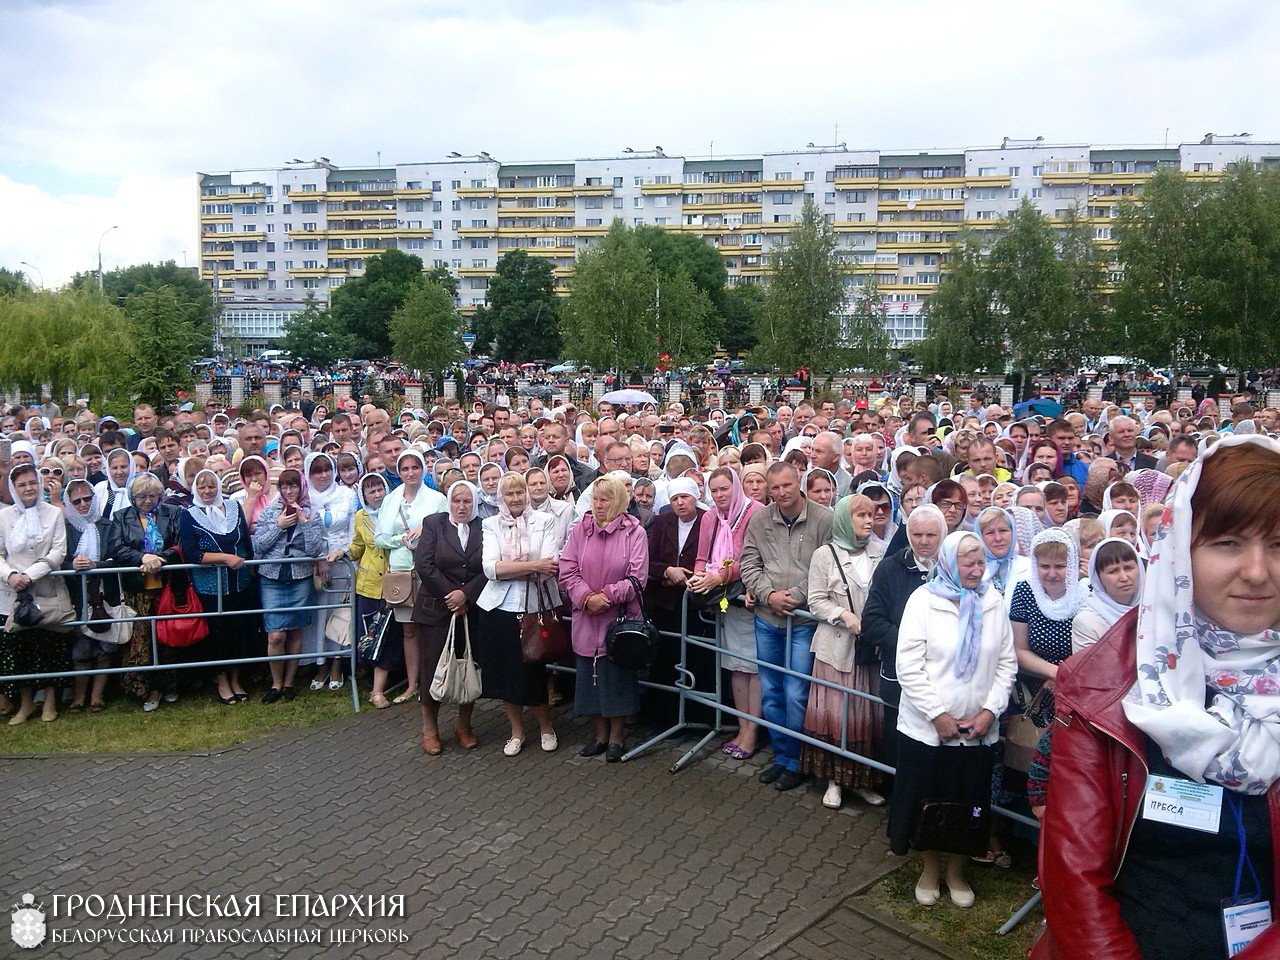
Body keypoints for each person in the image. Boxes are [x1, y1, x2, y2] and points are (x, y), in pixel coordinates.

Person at [1039, 436, 1280, 959]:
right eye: (1229, 543)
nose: (1258, 571)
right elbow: (1074, 877)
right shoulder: (1104, 681)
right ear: (1180, 551)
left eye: (1279, 545)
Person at [889, 530, 1018, 908]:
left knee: (970, 805)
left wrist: (990, 711)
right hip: (928, 730)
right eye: (969, 563)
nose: (978, 570)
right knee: (930, 800)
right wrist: (937, 715)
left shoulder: (992, 601)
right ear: (949, 563)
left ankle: (957, 871)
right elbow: (908, 666)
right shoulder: (924, 601)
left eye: (981, 562)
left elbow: (1006, 662)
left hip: (977, 731)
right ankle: (929, 868)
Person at [739, 462, 834, 791]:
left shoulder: (824, 519)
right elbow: (748, 564)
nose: (780, 493)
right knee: (771, 692)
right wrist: (768, 595)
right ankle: (781, 756)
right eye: (774, 487)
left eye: (786, 486)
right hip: (767, 619)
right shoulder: (760, 519)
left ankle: (796, 760)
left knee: (796, 693)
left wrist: (793, 596)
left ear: (799, 483)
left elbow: (827, 568)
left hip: (804, 621)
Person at [801, 494, 887, 809]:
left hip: (868, 650)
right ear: (843, 520)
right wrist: (843, 614)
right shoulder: (825, 555)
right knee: (837, 715)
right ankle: (834, 781)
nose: (868, 520)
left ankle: (862, 780)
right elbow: (816, 599)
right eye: (860, 515)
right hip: (836, 649)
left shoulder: (881, 552)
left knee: (866, 714)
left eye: (871, 514)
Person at [558, 475, 650, 762]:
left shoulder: (635, 532)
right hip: (586, 616)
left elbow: (638, 577)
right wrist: (586, 598)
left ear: (620, 501)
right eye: (596, 498)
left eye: (606, 499)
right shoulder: (580, 530)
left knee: (617, 678)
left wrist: (606, 597)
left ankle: (617, 736)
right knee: (590, 679)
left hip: (618, 619)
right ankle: (599, 734)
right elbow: (567, 569)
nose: (599, 505)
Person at [862, 504, 947, 785]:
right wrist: (915, 643)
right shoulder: (890, 568)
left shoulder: (953, 569)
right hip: (899, 675)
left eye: (931, 535)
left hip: (943, 676)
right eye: (917, 534)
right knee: (900, 745)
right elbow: (872, 622)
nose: (924, 541)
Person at [477, 472, 560, 756]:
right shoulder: (490, 524)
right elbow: (490, 569)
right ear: (501, 496)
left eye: (519, 492)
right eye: (509, 493)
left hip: (534, 608)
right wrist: (532, 566)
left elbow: (550, 564)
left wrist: (514, 567)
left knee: (533, 672)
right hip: (499, 609)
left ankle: (546, 727)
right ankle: (516, 732)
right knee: (505, 675)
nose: (515, 499)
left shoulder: (545, 520)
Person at [689, 467, 766, 760]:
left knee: (753, 666)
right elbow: (701, 556)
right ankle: (742, 726)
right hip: (724, 601)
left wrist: (718, 576)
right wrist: (698, 577)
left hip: (747, 597)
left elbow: (751, 557)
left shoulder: (754, 511)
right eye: (715, 490)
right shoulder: (710, 516)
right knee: (735, 664)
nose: (720, 495)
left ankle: (752, 732)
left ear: (736, 487)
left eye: (725, 489)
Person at [413, 480, 485, 754]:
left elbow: (487, 566)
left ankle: (464, 727)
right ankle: (430, 730)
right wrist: (452, 595)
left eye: (467, 501)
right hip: (436, 609)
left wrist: (466, 595)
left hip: (472, 609)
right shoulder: (434, 523)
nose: (462, 506)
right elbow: (424, 564)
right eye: (457, 500)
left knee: (469, 666)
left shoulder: (483, 527)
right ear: (449, 501)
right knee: (433, 669)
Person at [0, 463, 71, 724]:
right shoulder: (4, 517)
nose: (28, 488)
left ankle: (50, 702)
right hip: (13, 593)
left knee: (49, 646)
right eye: (21, 484)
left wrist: (30, 574)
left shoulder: (53, 514)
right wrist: (10, 575)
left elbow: (58, 552)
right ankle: (26, 704)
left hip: (45, 588)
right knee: (20, 649)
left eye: (32, 482)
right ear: (13, 488)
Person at [107, 473, 184, 712]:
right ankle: (146, 688)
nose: (147, 501)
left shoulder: (172, 513)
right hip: (137, 590)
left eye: (152, 496)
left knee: (167, 637)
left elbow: (179, 544)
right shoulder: (121, 517)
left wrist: (159, 559)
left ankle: (171, 685)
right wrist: (142, 557)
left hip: (167, 587)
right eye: (141, 497)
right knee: (141, 640)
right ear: (132, 497)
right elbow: (116, 548)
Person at [375, 449, 447, 704]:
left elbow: (445, 531)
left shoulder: (437, 499)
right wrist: (401, 540)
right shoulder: (391, 499)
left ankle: (435, 682)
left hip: (429, 570)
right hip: (402, 569)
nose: (410, 473)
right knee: (408, 631)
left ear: (422, 469)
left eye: (415, 467)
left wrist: (425, 531)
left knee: (432, 628)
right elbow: (380, 537)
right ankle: (412, 684)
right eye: (405, 469)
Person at [181, 469, 257, 704]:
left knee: (239, 631)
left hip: (240, 583)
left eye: (211, 486)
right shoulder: (190, 515)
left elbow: (244, 540)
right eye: (202, 487)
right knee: (218, 635)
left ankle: (236, 678)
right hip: (211, 587)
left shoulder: (233, 507)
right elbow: (193, 553)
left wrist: (251, 568)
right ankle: (222, 681)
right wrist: (224, 558)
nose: (207, 491)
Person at [642, 476, 703, 727]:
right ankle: (664, 717)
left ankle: (695, 715)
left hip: (695, 603)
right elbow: (649, 560)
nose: (680, 503)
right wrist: (667, 571)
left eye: (685, 497)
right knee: (666, 658)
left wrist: (685, 574)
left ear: (695, 498)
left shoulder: (706, 521)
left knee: (696, 657)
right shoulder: (663, 522)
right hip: (665, 604)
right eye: (675, 499)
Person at [1010, 529, 1081, 729]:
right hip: (1038, 686)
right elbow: (1020, 650)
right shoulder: (1025, 591)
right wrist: (1056, 674)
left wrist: (1068, 679)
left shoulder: (1086, 592)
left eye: (1059, 566)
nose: (1051, 574)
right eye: (1044, 566)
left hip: (1078, 689)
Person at [300, 453, 358, 692]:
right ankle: (319, 664)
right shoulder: (305, 499)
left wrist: (342, 553)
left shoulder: (347, 494)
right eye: (316, 470)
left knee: (341, 615)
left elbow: (354, 530)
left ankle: (337, 663)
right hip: (316, 566)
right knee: (319, 617)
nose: (323, 475)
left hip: (343, 563)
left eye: (327, 469)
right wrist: (318, 560)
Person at [61, 479, 112, 713]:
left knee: (105, 647)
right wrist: (73, 563)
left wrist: (95, 564)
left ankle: (97, 697)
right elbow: (59, 557)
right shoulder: (65, 527)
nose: (83, 504)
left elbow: (116, 555)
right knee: (80, 649)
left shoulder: (107, 525)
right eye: (77, 501)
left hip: (104, 594)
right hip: (77, 596)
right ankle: (79, 697)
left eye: (87, 499)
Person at [351, 473, 397, 708]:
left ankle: (378, 690)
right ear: (364, 495)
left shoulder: (396, 511)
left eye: (380, 489)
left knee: (387, 634)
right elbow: (359, 545)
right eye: (371, 491)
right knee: (368, 634)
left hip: (393, 581)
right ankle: (370, 681)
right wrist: (344, 553)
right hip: (368, 583)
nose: (377, 494)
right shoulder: (360, 517)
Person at [1070, 537, 1143, 654]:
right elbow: (1091, 670)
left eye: (1128, 568)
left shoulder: (1152, 609)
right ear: (1098, 578)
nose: (1124, 578)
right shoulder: (1088, 622)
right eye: (1113, 571)